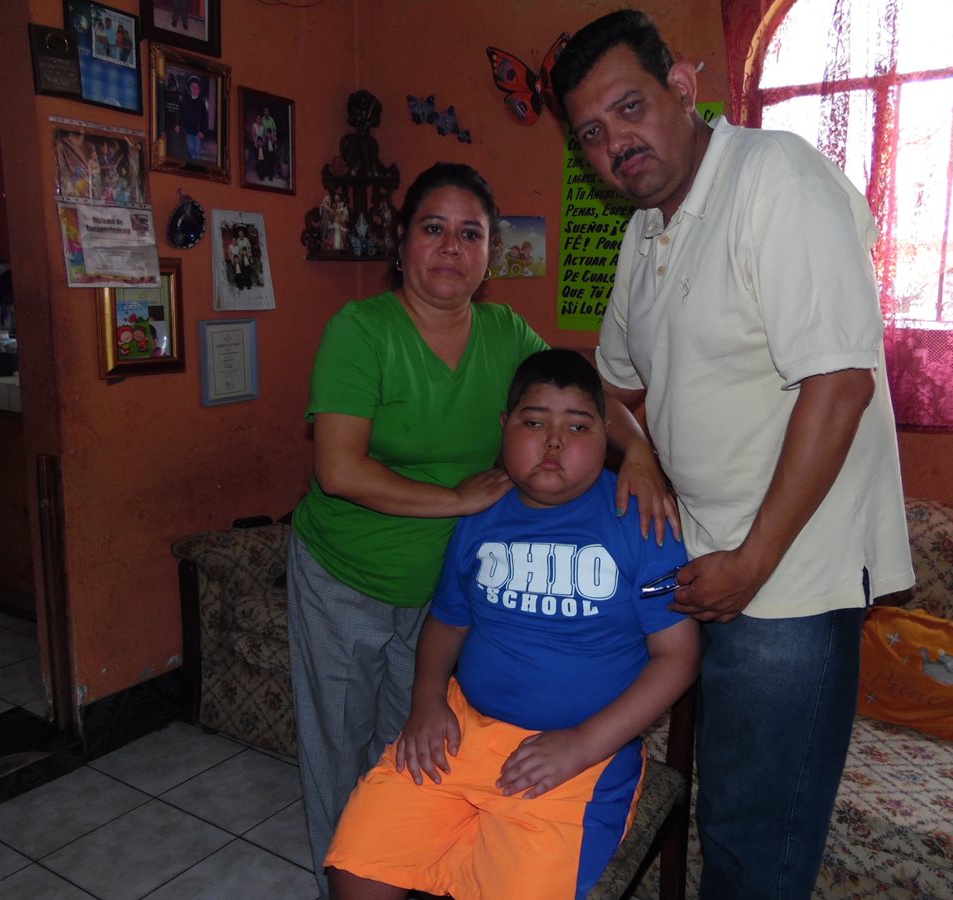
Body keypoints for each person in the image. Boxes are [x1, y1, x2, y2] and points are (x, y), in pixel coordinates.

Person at [551, 10, 915, 898]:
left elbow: (840, 384)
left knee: (756, 845)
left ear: (683, 84)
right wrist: (636, 456)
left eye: (630, 108)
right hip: (706, 568)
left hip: (787, 581)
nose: (616, 145)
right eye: (593, 135)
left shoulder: (774, 178)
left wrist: (752, 562)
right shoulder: (647, 232)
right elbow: (612, 388)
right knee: (725, 816)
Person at [288, 162, 675, 898]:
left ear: (490, 256)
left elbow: (580, 389)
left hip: (448, 587)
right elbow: (339, 469)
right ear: (401, 244)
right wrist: (458, 502)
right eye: (433, 228)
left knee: (416, 752)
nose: (450, 248)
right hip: (349, 576)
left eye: (471, 234)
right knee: (340, 754)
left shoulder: (504, 334)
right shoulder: (361, 329)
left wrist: (642, 457)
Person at [325, 349, 700, 900]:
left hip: (580, 756)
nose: (554, 442)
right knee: (357, 869)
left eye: (577, 425)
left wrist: (579, 745)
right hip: (460, 732)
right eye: (533, 422)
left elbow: (679, 657)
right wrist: (426, 701)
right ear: (504, 428)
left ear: (606, 437)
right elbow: (446, 623)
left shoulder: (641, 522)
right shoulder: (481, 513)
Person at [179, 76, 208, 161]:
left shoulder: (201, 102)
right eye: (192, 86)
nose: (195, 89)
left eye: (197, 87)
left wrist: (202, 131)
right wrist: (178, 124)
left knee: (197, 150)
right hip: (188, 129)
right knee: (190, 148)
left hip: (198, 131)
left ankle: (197, 164)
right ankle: (192, 160)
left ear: (199, 88)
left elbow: (204, 117)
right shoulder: (186, 100)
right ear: (190, 88)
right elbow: (182, 113)